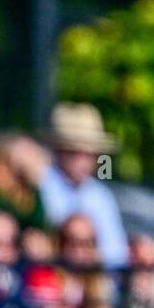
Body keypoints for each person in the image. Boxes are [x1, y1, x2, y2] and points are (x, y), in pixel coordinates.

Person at [38, 103, 128, 269]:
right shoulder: (39, 188)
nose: (85, 160)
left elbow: (117, 254)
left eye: (91, 153)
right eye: (76, 152)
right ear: (59, 150)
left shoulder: (101, 197)